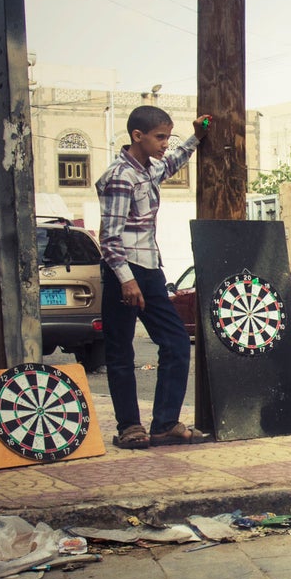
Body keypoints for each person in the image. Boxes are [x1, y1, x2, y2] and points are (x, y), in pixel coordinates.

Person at [97, 105, 212, 449]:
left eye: (167, 137)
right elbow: (109, 238)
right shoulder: (120, 176)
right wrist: (125, 279)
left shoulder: (149, 169)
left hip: (150, 269)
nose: (165, 143)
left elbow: (174, 160)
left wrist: (196, 137)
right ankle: (129, 427)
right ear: (138, 136)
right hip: (124, 272)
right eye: (160, 137)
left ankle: (164, 424)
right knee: (120, 351)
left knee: (176, 342)